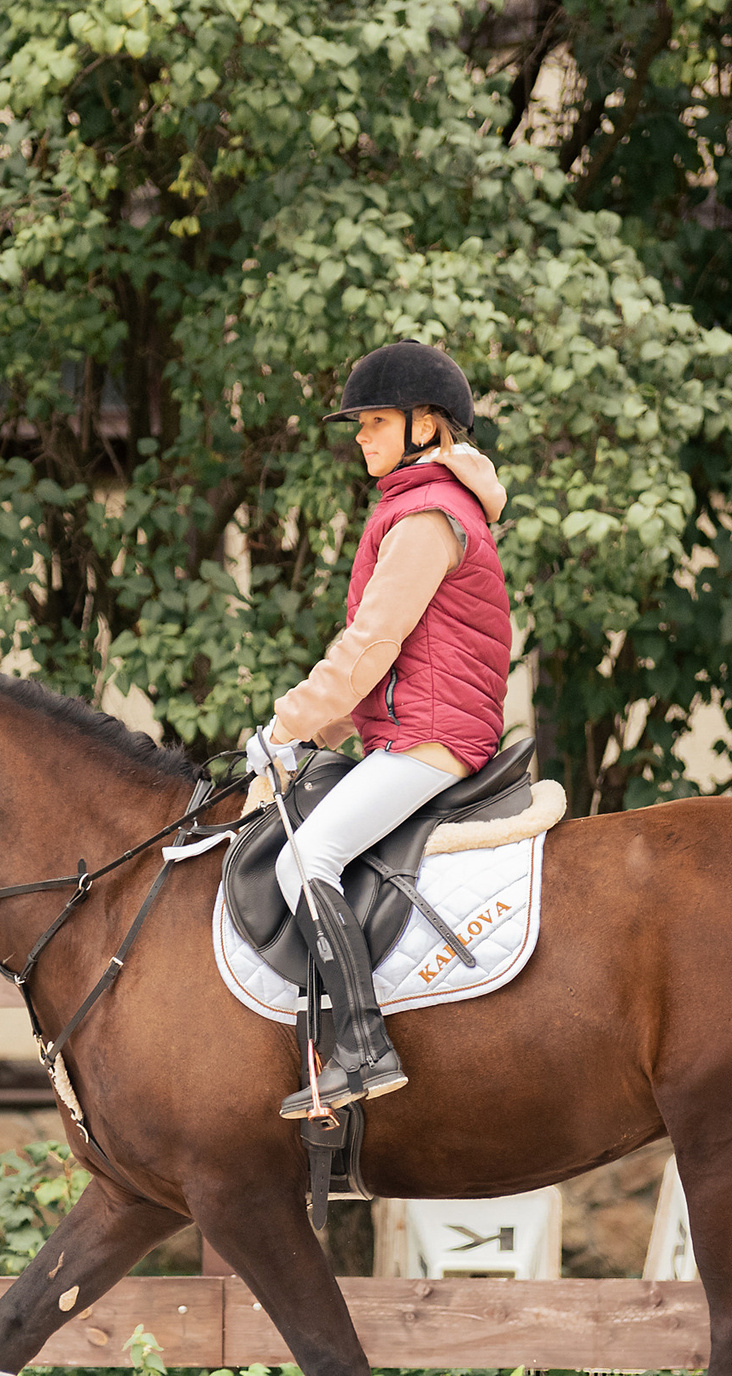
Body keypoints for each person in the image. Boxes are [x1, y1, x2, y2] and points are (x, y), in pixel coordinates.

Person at [245, 340, 511, 1118]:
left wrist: (285, 722)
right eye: (357, 423)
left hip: (431, 737)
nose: (361, 436)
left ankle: (362, 1047)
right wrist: (314, 733)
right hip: (412, 730)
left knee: (307, 857)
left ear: (426, 424)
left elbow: (370, 646)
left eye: (376, 421)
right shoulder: (414, 503)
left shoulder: (429, 515)